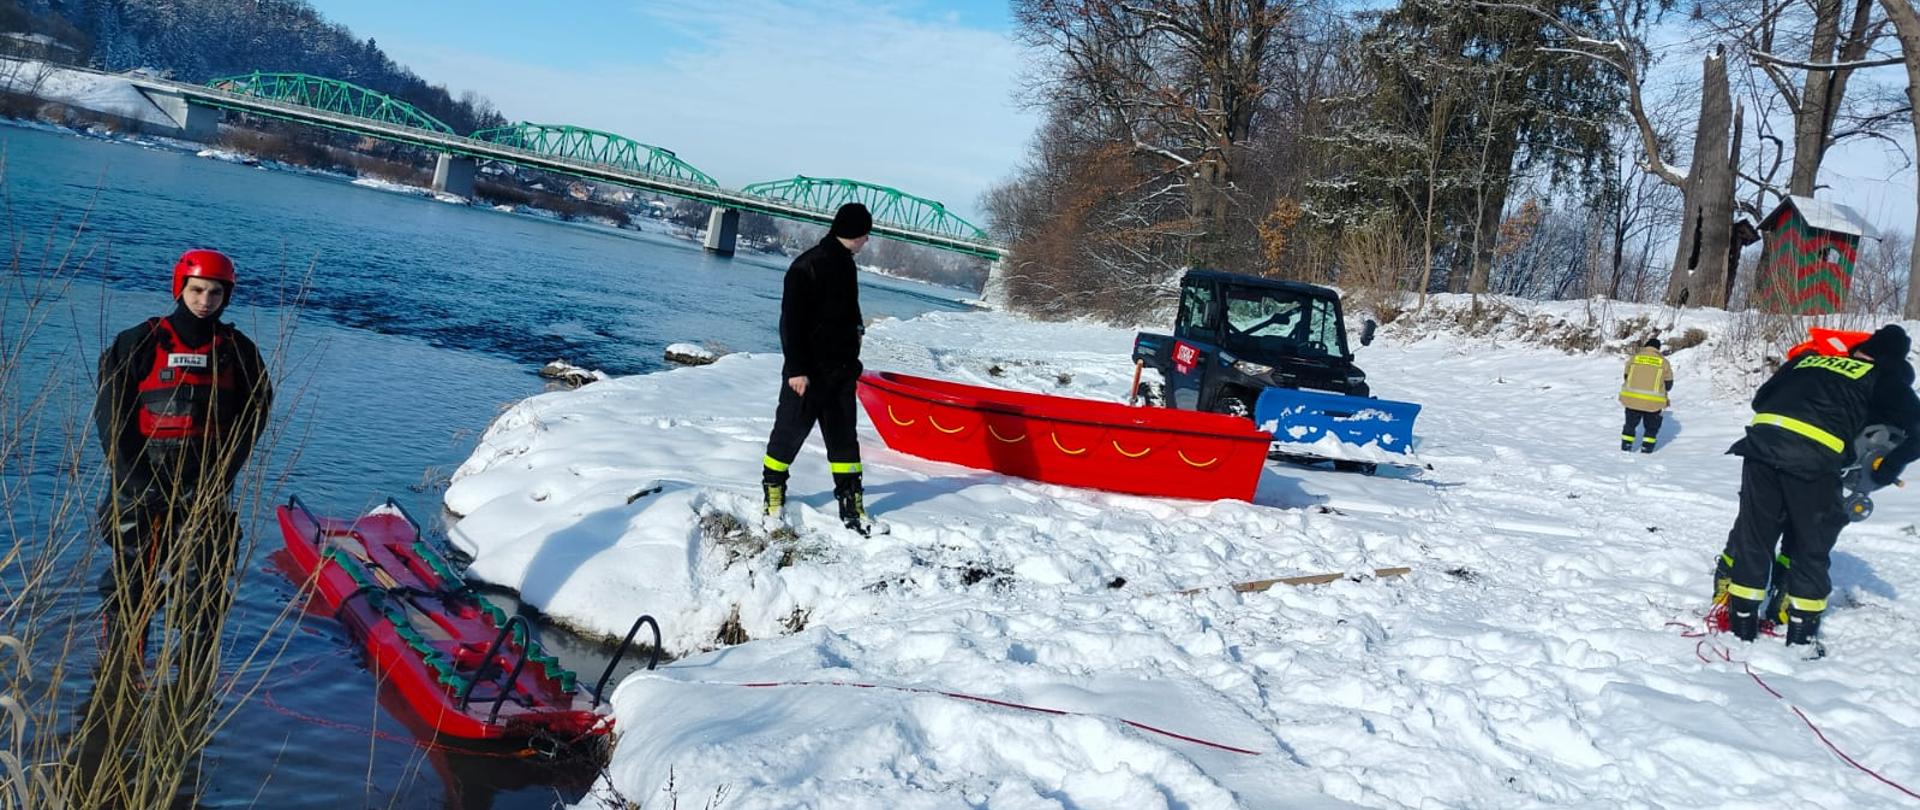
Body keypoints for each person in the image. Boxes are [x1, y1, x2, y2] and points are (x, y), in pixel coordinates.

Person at [91, 248, 273, 679]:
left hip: (205, 487)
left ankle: (191, 677)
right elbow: (110, 414)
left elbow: (254, 416)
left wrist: (221, 475)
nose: (205, 301)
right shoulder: (138, 341)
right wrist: (134, 476)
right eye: (196, 290)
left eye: (215, 292)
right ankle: (120, 671)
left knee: (203, 586)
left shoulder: (238, 351)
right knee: (131, 580)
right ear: (180, 288)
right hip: (139, 482)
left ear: (226, 297)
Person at [1710, 324, 1920, 649]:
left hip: (1761, 447)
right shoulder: (1883, 377)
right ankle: (1801, 635)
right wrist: (1889, 466)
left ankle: (1740, 627)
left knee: (1756, 534)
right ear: (1892, 360)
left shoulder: (1809, 358)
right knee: (1812, 542)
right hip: (1813, 459)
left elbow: (1760, 400)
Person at [760, 203, 874, 535]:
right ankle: (773, 495)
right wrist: (796, 369)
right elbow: (790, 323)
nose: (868, 240)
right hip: (807, 375)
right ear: (854, 232)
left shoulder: (846, 265)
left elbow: (848, 314)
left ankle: (851, 505)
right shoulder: (806, 266)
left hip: (840, 373)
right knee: (787, 437)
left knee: (844, 444)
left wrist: (856, 343)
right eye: (866, 233)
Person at [1619, 337, 1673, 452]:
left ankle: (1626, 447)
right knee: (1651, 429)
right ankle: (1647, 449)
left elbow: (1626, 376)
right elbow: (1669, 385)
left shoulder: (1634, 358)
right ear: (1658, 349)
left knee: (1630, 425)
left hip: (1632, 400)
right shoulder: (1663, 362)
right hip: (1653, 403)